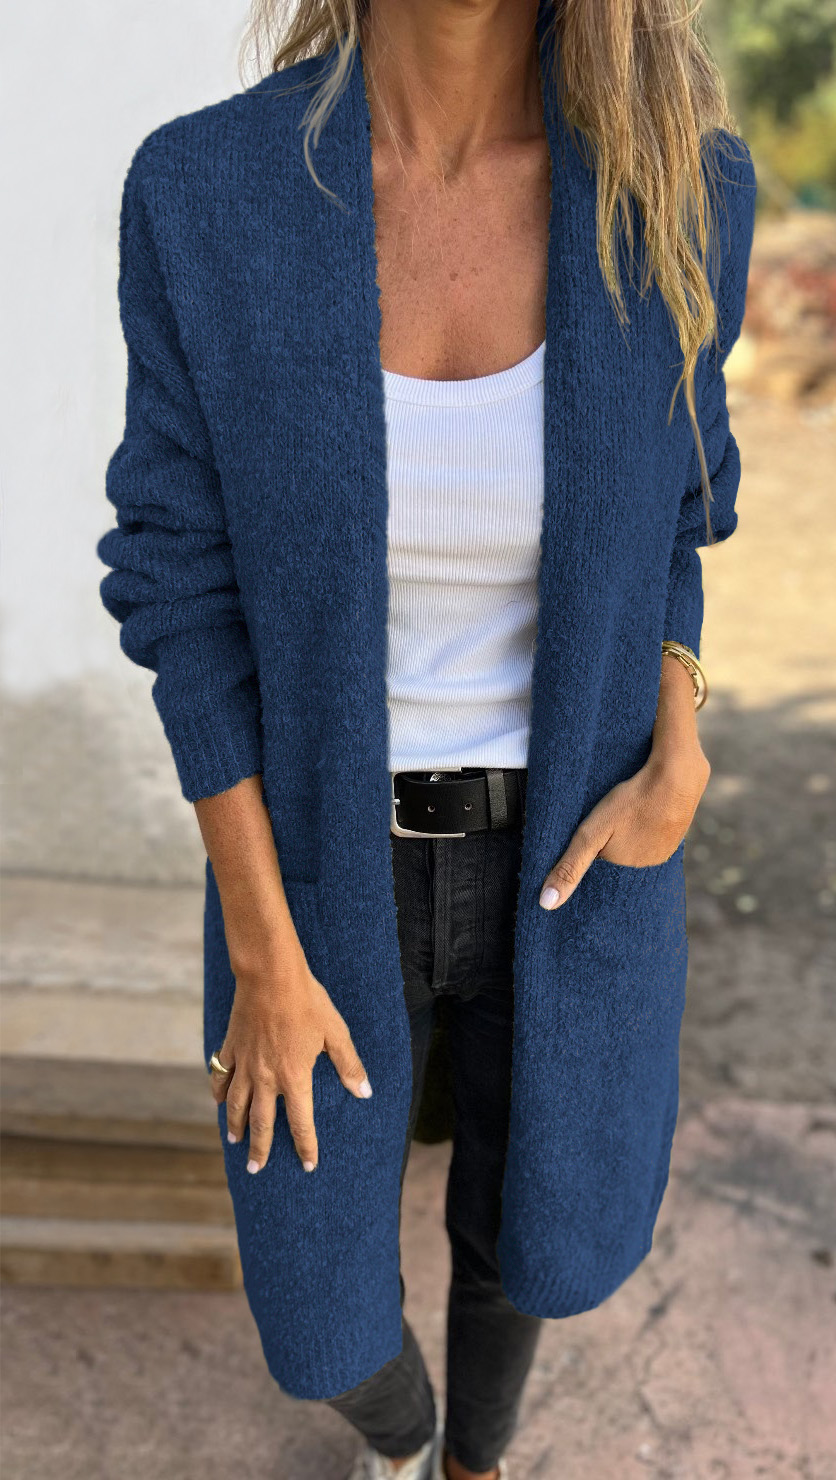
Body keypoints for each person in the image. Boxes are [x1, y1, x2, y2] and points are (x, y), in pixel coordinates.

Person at [97, 1, 757, 1477]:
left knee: (534, 1242)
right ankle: (403, 1441)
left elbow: (686, 505)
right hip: (321, 874)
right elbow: (177, 585)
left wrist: (681, 747)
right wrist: (263, 950)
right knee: (320, 1325)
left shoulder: (678, 188)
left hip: (577, 859)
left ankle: (474, 1464)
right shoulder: (205, 193)